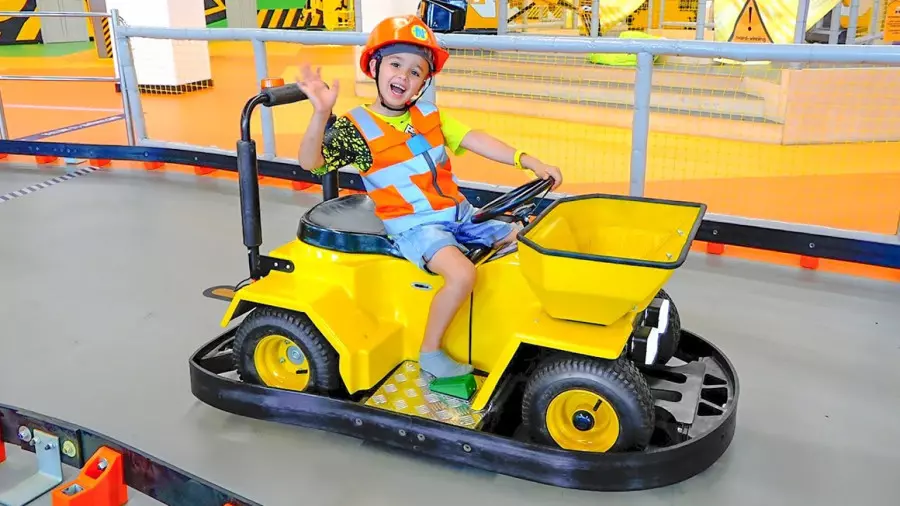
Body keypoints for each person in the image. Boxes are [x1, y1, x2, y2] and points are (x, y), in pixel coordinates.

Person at [297, 15, 562, 379]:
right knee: (462, 274)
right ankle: (431, 352)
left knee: (528, 239)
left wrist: (527, 160)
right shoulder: (356, 127)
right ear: (375, 67)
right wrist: (321, 113)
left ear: (423, 83)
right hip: (415, 226)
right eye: (396, 65)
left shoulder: (429, 115)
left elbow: (474, 138)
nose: (403, 77)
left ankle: (516, 329)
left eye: (416, 72)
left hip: (460, 214)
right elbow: (311, 163)